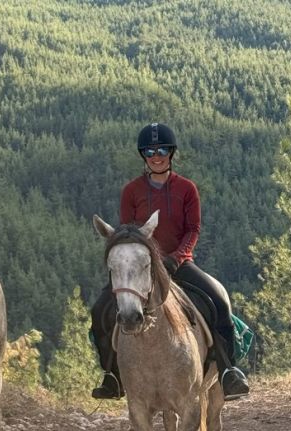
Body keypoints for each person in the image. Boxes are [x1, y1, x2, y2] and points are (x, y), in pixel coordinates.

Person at [90, 122, 250, 400]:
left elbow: (193, 229)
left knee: (219, 304)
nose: (156, 154)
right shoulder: (131, 191)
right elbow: (129, 232)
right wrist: (144, 260)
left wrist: (177, 258)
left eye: (162, 149)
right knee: (99, 311)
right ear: (143, 154)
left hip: (179, 264)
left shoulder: (187, 189)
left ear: (171, 152)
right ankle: (112, 375)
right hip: (142, 267)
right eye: (150, 150)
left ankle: (228, 370)